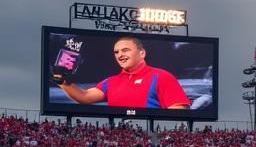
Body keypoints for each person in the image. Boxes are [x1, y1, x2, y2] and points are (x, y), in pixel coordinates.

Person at [52, 36, 190, 109]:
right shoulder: (111, 81)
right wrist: (64, 82)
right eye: (116, 52)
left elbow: (178, 111)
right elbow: (85, 97)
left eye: (125, 50)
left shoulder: (161, 76)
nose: (120, 55)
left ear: (142, 53)